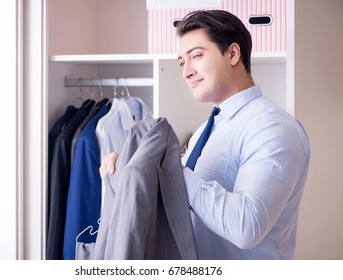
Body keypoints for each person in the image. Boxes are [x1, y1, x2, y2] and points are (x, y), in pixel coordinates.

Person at [99, 10, 310, 259]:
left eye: (196, 56)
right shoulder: (205, 131)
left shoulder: (274, 130)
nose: (186, 71)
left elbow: (246, 228)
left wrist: (170, 170)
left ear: (233, 53)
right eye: (181, 62)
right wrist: (130, 167)